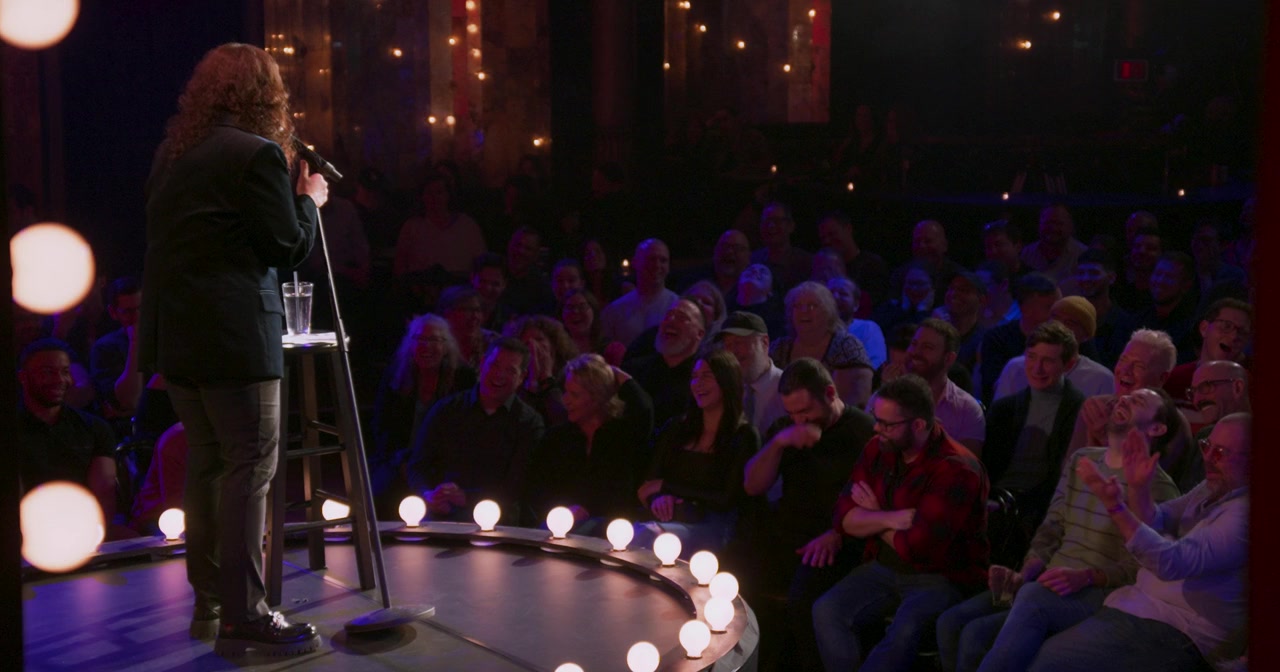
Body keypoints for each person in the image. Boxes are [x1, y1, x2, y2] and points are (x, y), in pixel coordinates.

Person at [139, 43, 324, 654]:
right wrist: (309, 199)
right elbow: (285, 247)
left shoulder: (174, 154)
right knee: (250, 467)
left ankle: (211, 605)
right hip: (236, 340)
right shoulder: (256, 153)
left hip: (181, 340)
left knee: (208, 464)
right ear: (265, 95)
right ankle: (248, 615)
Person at [937, 388, 1181, 672]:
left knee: (1004, 617)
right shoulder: (1083, 459)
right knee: (952, 624)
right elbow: (1053, 526)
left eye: (1137, 400)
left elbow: (1144, 566)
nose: (1123, 399)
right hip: (1049, 580)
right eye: (1125, 396)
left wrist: (1086, 576)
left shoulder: (1158, 487)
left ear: (1156, 428)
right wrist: (1024, 573)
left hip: (1099, 591)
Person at [1031, 413, 1249, 671]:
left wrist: (1115, 506)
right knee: (1024, 615)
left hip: (1177, 630)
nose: (1208, 458)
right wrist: (1138, 488)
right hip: (1135, 605)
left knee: (1046, 663)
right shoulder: (1211, 487)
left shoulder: (1244, 513)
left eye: (1221, 452)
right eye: (1206, 446)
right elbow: (1158, 520)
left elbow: (1170, 563)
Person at [813, 375, 989, 672]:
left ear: (918, 425)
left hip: (942, 576)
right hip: (882, 565)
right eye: (876, 419)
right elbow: (842, 516)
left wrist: (871, 516)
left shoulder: (956, 469)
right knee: (826, 610)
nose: (876, 428)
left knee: (904, 633)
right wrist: (888, 516)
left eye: (887, 424)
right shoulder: (878, 448)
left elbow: (918, 549)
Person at [740, 358, 876, 671]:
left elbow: (876, 500)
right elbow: (752, 485)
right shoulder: (786, 430)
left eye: (805, 411)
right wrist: (778, 443)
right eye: (792, 413)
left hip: (837, 539)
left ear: (830, 393)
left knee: (803, 601)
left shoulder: (863, 432)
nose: (799, 420)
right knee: (733, 581)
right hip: (787, 532)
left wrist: (838, 532)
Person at [406, 338, 546, 524]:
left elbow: (517, 485)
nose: (499, 375)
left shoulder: (529, 423)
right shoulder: (447, 409)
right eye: (494, 365)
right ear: (482, 363)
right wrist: (428, 494)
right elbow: (418, 464)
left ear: (522, 377)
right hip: (441, 512)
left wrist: (466, 497)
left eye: (510, 370)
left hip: (498, 517)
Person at [637, 349, 760, 555]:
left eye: (706, 376)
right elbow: (649, 485)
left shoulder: (744, 435)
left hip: (715, 526)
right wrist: (659, 498)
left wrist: (668, 487)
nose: (698, 383)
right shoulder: (676, 428)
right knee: (633, 532)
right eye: (694, 377)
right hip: (673, 518)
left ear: (726, 381)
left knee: (649, 536)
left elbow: (726, 499)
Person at [526, 354, 653, 534]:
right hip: (562, 525)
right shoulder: (557, 437)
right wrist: (565, 512)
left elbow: (644, 408)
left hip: (613, 528)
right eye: (566, 392)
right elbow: (537, 487)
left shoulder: (623, 434)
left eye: (575, 394)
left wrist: (612, 373)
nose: (565, 400)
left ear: (598, 397)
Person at [369, 314, 476, 518]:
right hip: (399, 458)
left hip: (442, 461)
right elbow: (381, 427)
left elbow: (465, 431)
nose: (426, 346)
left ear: (446, 346)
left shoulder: (463, 378)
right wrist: (401, 461)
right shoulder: (395, 375)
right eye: (420, 339)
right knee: (381, 492)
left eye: (434, 339)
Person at [17, 338, 118, 528]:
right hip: (22, 529)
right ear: (23, 377)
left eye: (64, 372)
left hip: (82, 527)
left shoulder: (93, 428)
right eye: (47, 372)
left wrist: (92, 532)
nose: (59, 380)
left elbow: (104, 492)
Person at [770, 281, 874, 408]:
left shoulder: (846, 346)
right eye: (797, 306)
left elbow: (855, 401)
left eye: (812, 305)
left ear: (828, 311)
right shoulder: (779, 347)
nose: (804, 311)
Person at [993, 297, 1115, 400]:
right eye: (1055, 318)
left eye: (1069, 322)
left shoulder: (1101, 379)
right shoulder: (1016, 368)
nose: (1058, 326)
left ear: (1086, 335)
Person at [901, 318, 986, 455]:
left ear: (949, 358)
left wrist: (935, 438)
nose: (916, 352)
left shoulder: (967, 409)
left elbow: (968, 465)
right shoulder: (886, 398)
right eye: (914, 344)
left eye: (928, 347)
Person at [715, 311, 787, 437]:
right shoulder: (723, 391)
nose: (733, 351)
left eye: (739, 342)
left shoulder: (787, 387)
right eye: (728, 345)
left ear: (764, 342)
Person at [599, 238, 678, 347]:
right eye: (651, 259)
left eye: (663, 260)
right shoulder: (614, 311)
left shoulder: (678, 307)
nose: (657, 265)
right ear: (636, 262)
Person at [752, 201, 814, 292]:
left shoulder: (807, 262)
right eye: (766, 221)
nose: (771, 226)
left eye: (776, 221)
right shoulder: (753, 261)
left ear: (791, 226)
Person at [828, 277, 887, 369]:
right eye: (830, 293)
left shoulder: (867, 328)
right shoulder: (813, 329)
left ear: (856, 305)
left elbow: (876, 365)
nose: (835, 297)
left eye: (843, 294)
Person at [1021, 204, 1088, 285]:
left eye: (1059, 223)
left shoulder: (1083, 254)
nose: (1053, 228)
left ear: (1070, 226)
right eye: (1048, 222)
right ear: (1039, 224)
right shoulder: (1027, 253)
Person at [559, 288, 625, 366]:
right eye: (570, 307)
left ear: (594, 311)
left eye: (582, 307)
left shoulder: (612, 350)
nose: (576, 311)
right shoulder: (555, 350)